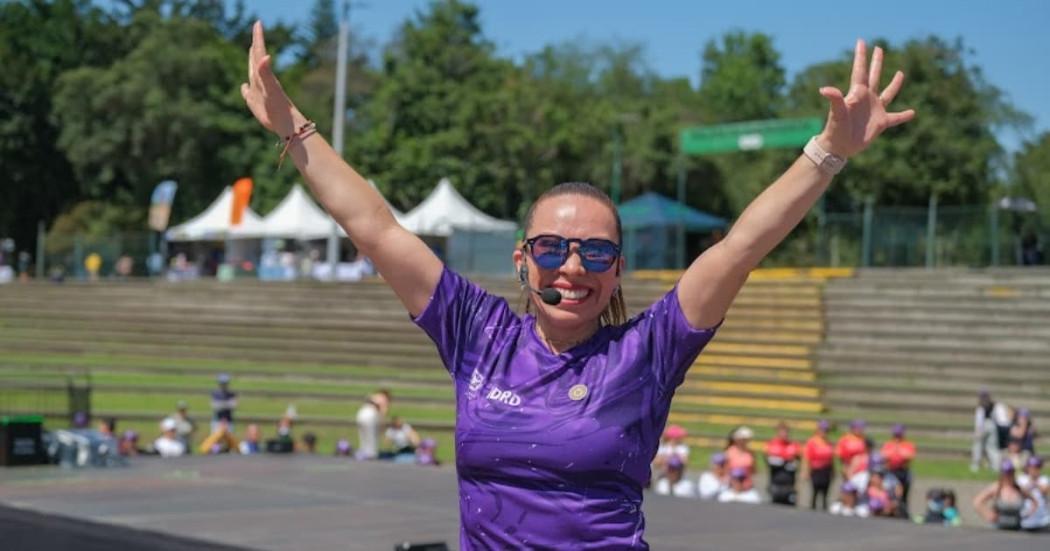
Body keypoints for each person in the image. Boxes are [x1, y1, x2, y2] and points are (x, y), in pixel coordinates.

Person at [242, 23, 914, 546]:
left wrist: (827, 154)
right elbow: (375, 228)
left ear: (617, 267)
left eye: (595, 251)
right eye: (551, 248)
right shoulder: (476, 333)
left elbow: (739, 248)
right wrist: (293, 128)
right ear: (522, 259)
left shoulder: (647, 351)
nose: (572, 267)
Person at [973, 460, 1034, 531]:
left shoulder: (1019, 489)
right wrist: (988, 514)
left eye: (1010, 473)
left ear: (1013, 474)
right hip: (997, 528)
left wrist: (1027, 514)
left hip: (1016, 529)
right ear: (1001, 474)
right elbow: (977, 501)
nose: (1008, 476)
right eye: (1005, 474)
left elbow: (1034, 501)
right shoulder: (996, 488)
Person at [972, 390, 1012, 472]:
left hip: (992, 428)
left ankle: (993, 465)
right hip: (988, 428)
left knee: (990, 447)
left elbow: (1003, 421)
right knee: (985, 446)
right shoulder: (981, 408)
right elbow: (979, 422)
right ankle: (978, 464)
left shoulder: (995, 406)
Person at [764, 421, 801, 506]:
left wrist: (783, 462)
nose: (784, 434)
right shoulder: (771, 444)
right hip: (776, 483)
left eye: (786, 431)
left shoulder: (794, 444)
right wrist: (785, 462)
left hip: (790, 484)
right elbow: (769, 460)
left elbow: (797, 462)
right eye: (782, 431)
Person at [804, 419, 835, 511]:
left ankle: (824, 510)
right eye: (822, 429)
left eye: (826, 430)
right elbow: (807, 457)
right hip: (816, 469)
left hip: (826, 470)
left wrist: (833, 470)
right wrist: (806, 471)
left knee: (825, 492)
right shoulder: (812, 441)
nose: (824, 432)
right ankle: (812, 509)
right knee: (815, 491)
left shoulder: (828, 442)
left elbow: (831, 458)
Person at [880, 423, 915, 506]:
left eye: (899, 434)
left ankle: (903, 508)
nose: (897, 437)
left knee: (904, 494)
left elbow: (908, 456)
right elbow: (884, 456)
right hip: (891, 471)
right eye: (896, 434)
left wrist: (896, 451)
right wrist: (898, 452)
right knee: (890, 492)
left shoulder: (908, 444)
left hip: (903, 472)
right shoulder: (888, 444)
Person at [355, 389, 390, 460]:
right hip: (370, 415)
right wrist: (383, 431)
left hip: (361, 413)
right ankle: (371, 455)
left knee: (363, 436)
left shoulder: (374, 396)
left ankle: (363, 452)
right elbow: (382, 414)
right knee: (371, 436)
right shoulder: (384, 399)